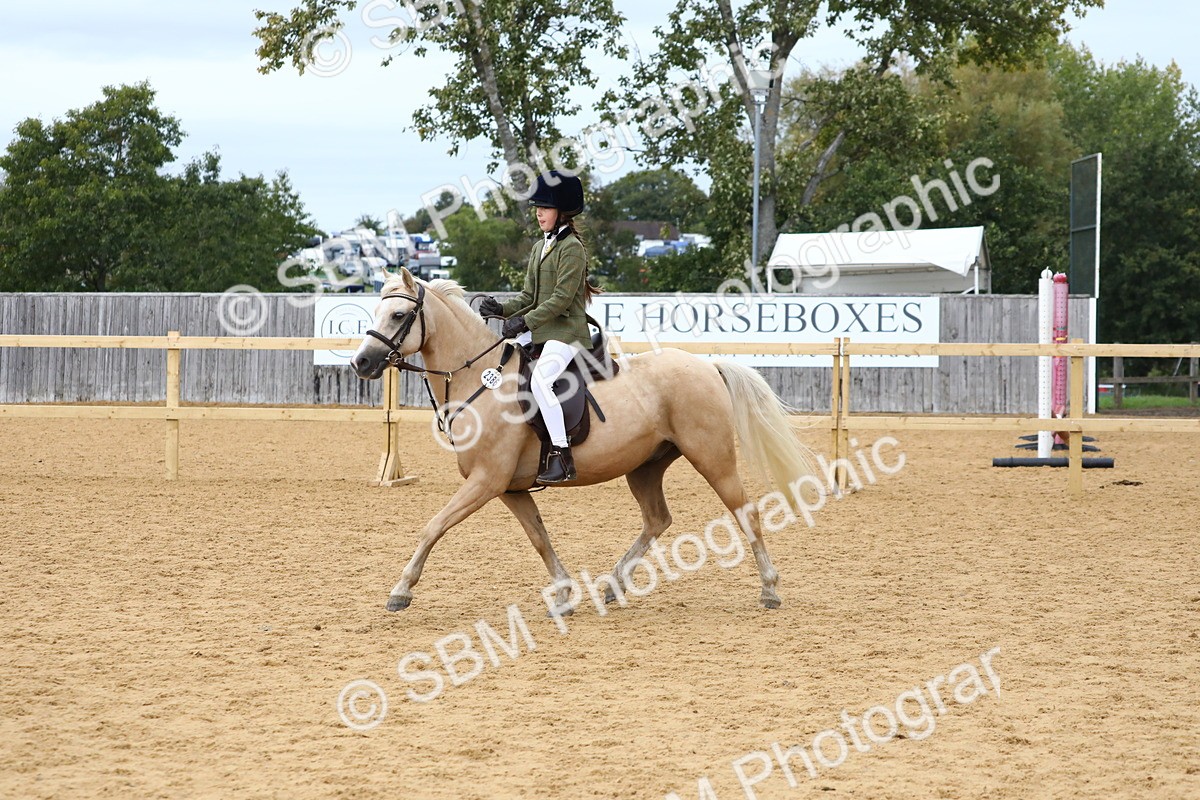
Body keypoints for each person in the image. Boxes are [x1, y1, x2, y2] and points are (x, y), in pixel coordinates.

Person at [477, 171, 594, 484]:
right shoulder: (538, 248)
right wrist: (502, 310)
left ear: (562, 212)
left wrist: (524, 321)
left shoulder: (573, 249)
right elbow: (529, 297)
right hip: (541, 331)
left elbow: (559, 300)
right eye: (537, 207)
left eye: (545, 207)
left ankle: (562, 455)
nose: (539, 212)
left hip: (567, 332)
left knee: (541, 382)